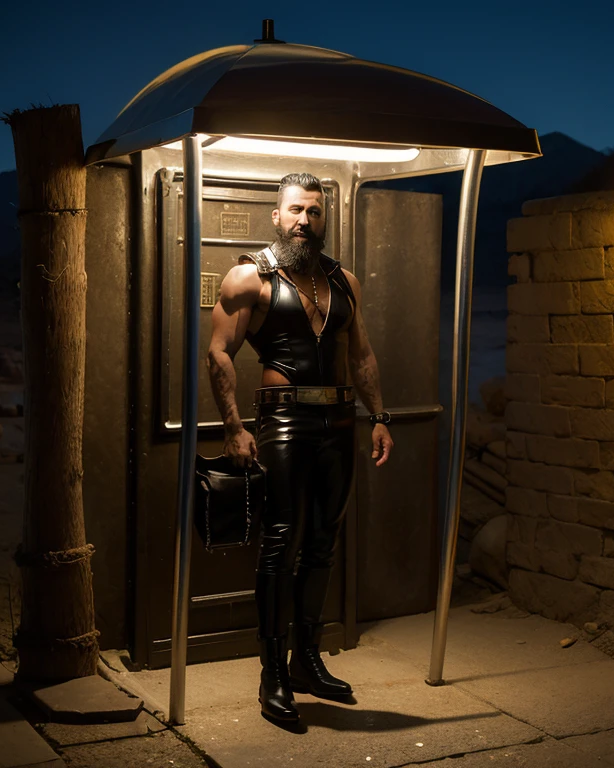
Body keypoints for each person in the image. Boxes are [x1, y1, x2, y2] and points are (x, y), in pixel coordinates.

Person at [207, 172, 393, 723]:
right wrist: (233, 427)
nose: (304, 221)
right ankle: (272, 673)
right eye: (295, 210)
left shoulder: (344, 281)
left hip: (340, 420)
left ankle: (306, 660)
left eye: (313, 212)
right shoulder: (249, 278)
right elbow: (219, 353)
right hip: (283, 419)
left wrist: (378, 416)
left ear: (322, 218)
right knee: (280, 541)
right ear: (277, 215)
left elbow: (360, 353)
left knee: (322, 542)